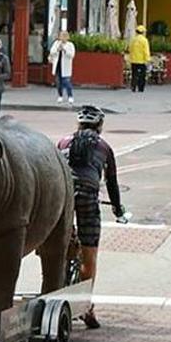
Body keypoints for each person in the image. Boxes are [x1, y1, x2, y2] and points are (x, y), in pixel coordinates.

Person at [57, 104, 125, 329]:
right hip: (88, 196)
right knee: (89, 253)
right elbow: (112, 182)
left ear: (78, 124)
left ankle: (55, 285)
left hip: (63, 195)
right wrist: (117, 209)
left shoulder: (63, 143)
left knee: (59, 246)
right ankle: (86, 307)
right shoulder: (104, 147)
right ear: (100, 126)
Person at [48, 30, 76, 105]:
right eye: (61, 36)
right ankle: (60, 95)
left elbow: (72, 55)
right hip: (57, 66)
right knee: (58, 82)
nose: (62, 38)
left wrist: (64, 50)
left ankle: (70, 96)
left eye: (64, 36)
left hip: (65, 66)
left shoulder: (70, 45)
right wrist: (57, 49)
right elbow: (51, 52)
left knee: (66, 81)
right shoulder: (56, 43)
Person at [127, 24, 151, 92]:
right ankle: (141, 88)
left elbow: (130, 49)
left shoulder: (133, 40)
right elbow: (146, 51)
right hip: (142, 61)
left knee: (134, 74)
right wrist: (148, 59)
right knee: (142, 75)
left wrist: (130, 58)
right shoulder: (144, 40)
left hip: (134, 60)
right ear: (143, 32)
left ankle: (133, 86)